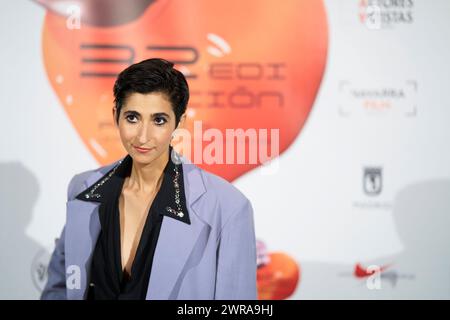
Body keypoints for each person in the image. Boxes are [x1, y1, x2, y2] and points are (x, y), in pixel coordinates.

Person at [41, 58, 257, 300]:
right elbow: (59, 289)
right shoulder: (84, 188)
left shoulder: (227, 207)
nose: (143, 136)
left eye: (159, 120)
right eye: (132, 117)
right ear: (116, 116)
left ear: (180, 122)